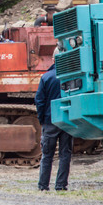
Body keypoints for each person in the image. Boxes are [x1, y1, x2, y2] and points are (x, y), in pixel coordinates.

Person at [35, 49, 73, 191]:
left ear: (53, 59)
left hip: (50, 121)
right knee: (65, 154)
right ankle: (61, 185)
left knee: (47, 155)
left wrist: (42, 120)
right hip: (67, 120)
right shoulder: (70, 77)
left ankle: (43, 186)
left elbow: (39, 101)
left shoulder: (46, 77)